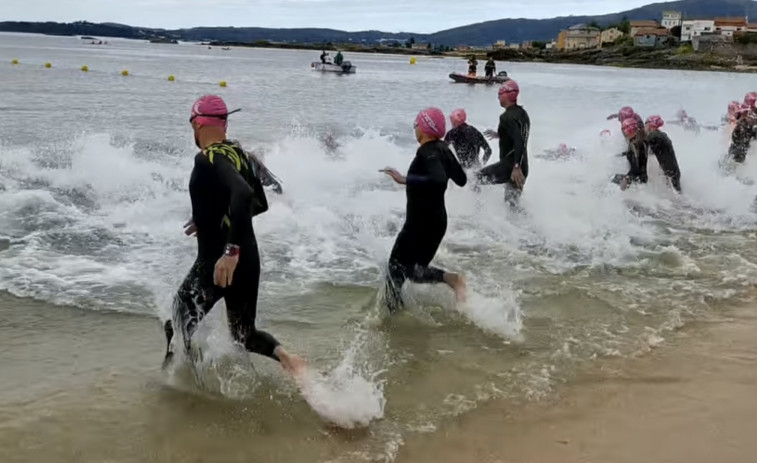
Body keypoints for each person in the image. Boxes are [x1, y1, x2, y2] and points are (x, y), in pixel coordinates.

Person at [162, 95, 306, 379]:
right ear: (224, 124)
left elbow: (242, 194)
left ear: (197, 123)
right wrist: (207, 217)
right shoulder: (240, 154)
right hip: (248, 257)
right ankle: (288, 359)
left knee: (178, 319)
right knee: (245, 335)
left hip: (220, 262)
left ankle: (183, 388)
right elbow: (261, 201)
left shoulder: (207, 157)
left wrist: (229, 253)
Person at [380, 107, 467, 313]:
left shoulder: (427, 151)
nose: (415, 128)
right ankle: (451, 279)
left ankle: (392, 320)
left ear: (425, 127)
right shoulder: (443, 149)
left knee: (394, 271)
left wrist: (405, 179)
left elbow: (437, 179)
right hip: (436, 222)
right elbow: (462, 180)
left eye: (416, 124)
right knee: (413, 271)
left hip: (420, 223)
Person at [479, 80, 530, 208]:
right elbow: (518, 134)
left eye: (500, 93)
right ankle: (521, 225)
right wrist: (501, 134)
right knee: (511, 206)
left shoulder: (506, 117)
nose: (498, 97)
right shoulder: (522, 113)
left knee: (474, 179)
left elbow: (519, 140)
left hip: (511, 167)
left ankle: (477, 213)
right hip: (523, 166)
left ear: (507, 95)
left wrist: (516, 166)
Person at [644, 115, 681, 193]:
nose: (644, 126)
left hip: (669, 173)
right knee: (678, 195)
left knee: (676, 197)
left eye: (646, 123)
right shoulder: (662, 135)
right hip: (673, 172)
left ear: (651, 125)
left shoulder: (653, 136)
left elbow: (644, 148)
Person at [611, 117, 648, 190]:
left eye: (624, 131)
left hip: (639, 179)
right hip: (642, 177)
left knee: (612, 179)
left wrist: (627, 179)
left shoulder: (634, 145)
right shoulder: (640, 141)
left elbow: (636, 168)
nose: (623, 133)